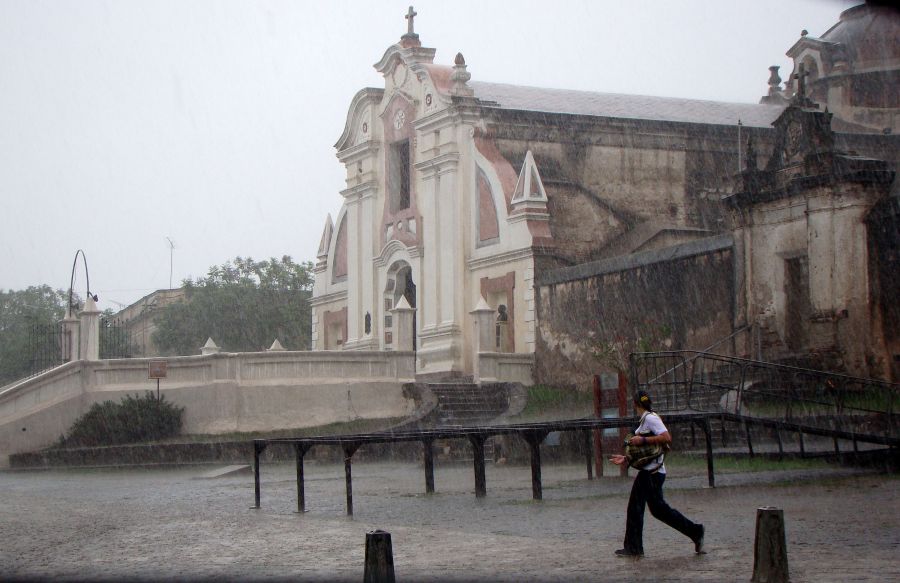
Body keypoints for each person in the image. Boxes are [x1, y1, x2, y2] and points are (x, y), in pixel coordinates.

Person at [609, 390, 705, 557]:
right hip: (654, 472)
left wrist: (643, 439)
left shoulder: (650, 418)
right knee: (660, 510)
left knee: (635, 508)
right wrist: (626, 458)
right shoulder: (646, 419)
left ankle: (634, 548)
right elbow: (647, 452)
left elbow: (666, 437)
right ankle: (695, 531)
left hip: (651, 474)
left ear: (636, 404)